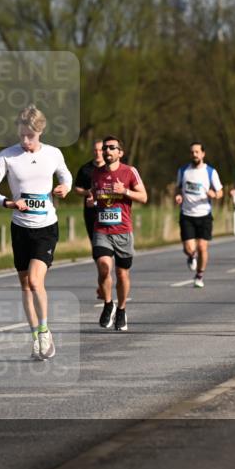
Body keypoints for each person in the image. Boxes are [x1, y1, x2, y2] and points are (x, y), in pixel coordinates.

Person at [0, 105, 72, 359]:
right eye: (21, 135)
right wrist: (6, 202)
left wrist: (65, 187)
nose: (24, 140)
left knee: (35, 280)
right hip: (20, 227)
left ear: (39, 132)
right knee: (24, 285)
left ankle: (44, 331)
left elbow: (66, 176)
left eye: (29, 136)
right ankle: (35, 337)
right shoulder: (7, 156)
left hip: (45, 228)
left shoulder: (53, 154)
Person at [90, 136, 148, 330]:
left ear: (120, 153)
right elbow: (95, 195)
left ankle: (121, 309)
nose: (107, 151)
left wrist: (125, 191)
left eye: (112, 148)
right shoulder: (96, 174)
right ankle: (108, 304)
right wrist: (93, 200)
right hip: (102, 229)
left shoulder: (129, 172)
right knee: (104, 267)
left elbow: (144, 197)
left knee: (122, 274)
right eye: (105, 147)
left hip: (123, 231)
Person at [174, 142, 223, 288]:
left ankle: (199, 275)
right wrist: (178, 196)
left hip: (204, 214)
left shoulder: (210, 172)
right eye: (192, 152)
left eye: (197, 152)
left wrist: (214, 194)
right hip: (187, 214)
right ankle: (191, 256)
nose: (194, 154)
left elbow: (220, 192)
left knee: (202, 247)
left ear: (202, 154)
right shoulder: (183, 171)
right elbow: (178, 188)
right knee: (188, 248)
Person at [73, 137, 105, 243]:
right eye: (95, 150)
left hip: (108, 210)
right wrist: (87, 192)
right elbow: (77, 188)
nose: (98, 153)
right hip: (91, 211)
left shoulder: (111, 168)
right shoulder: (85, 169)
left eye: (100, 150)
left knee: (107, 243)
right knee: (95, 243)